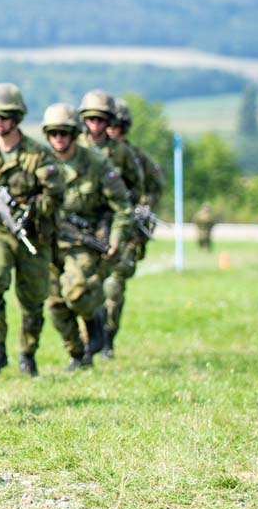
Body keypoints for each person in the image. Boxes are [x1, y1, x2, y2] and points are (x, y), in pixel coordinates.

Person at [0, 84, 64, 378]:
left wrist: (31, 209)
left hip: (33, 234)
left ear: (16, 117)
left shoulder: (38, 154)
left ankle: (28, 354)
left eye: (5, 115)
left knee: (33, 300)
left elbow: (55, 194)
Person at [41, 103, 132, 370]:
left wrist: (116, 239)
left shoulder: (96, 163)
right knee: (55, 304)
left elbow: (123, 206)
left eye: (65, 133)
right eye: (54, 133)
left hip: (83, 241)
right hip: (49, 241)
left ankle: (95, 319)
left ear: (74, 133)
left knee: (76, 292)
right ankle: (78, 354)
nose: (59, 138)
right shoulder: (40, 161)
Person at [102, 98, 165, 357]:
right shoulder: (88, 153)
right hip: (93, 227)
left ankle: (107, 339)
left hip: (126, 229)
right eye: (109, 124)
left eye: (118, 125)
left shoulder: (136, 158)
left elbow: (153, 189)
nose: (112, 130)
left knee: (114, 285)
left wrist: (142, 214)